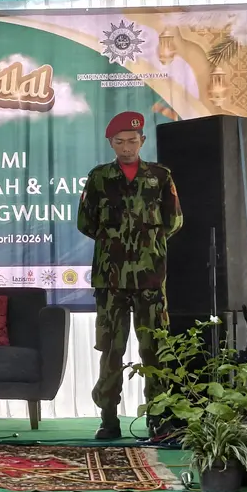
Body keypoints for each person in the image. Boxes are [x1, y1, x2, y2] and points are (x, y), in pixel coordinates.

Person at [77, 111, 183, 440]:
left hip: (151, 279)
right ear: (110, 143)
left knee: (154, 350)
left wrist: (145, 245)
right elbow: (85, 221)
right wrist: (117, 244)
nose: (126, 147)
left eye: (132, 141)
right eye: (120, 142)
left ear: (142, 141)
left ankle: (158, 418)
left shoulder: (161, 176)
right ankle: (108, 418)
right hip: (110, 280)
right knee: (111, 350)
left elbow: (174, 220)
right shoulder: (98, 178)